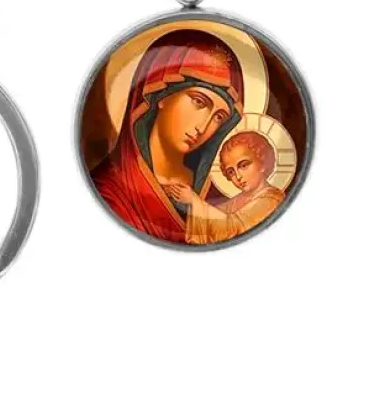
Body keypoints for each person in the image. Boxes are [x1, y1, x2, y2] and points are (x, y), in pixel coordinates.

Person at [90, 29, 244, 243]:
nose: (203, 127)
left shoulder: (215, 197)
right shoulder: (107, 191)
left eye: (219, 117)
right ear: (162, 95)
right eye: (198, 101)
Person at [164, 131, 284, 244]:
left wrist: (193, 200)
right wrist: (179, 196)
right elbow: (211, 214)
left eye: (243, 165)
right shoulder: (240, 199)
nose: (238, 176)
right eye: (231, 172)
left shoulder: (271, 199)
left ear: (262, 162)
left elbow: (234, 228)